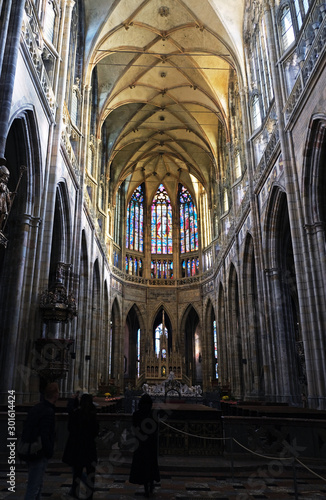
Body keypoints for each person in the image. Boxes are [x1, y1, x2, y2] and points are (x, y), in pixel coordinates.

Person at [22, 382, 60, 500]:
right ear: (55, 395)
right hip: (39, 452)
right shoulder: (48, 411)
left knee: (37, 485)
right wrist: (49, 451)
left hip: (31, 449)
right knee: (33, 487)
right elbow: (45, 434)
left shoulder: (36, 408)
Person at [62, 393, 99, 499]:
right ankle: (89, 496)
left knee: (77, 474)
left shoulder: (76, 414)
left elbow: (70, 428)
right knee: (91, 473)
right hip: (89, 448)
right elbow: (96, 431)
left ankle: (75, 494)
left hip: (77, 448)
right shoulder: (92, 415)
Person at [129, 394, 160, 497]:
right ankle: (151, 483)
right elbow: (156, 429)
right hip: (151, 443)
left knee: (142, 464)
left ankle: (146, 487)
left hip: (140, 443)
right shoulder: (153, 414)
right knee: (151, 464)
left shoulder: (136, 414)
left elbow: (134, 428)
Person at [0, 163, 13, 231]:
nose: (7, 178)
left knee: (4, 213)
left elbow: (7, 192)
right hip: (0, 198)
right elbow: (2, 188)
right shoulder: (1, 183)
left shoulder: (5, 185)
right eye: (6, 176)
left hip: (3, 200)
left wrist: (11, 194)